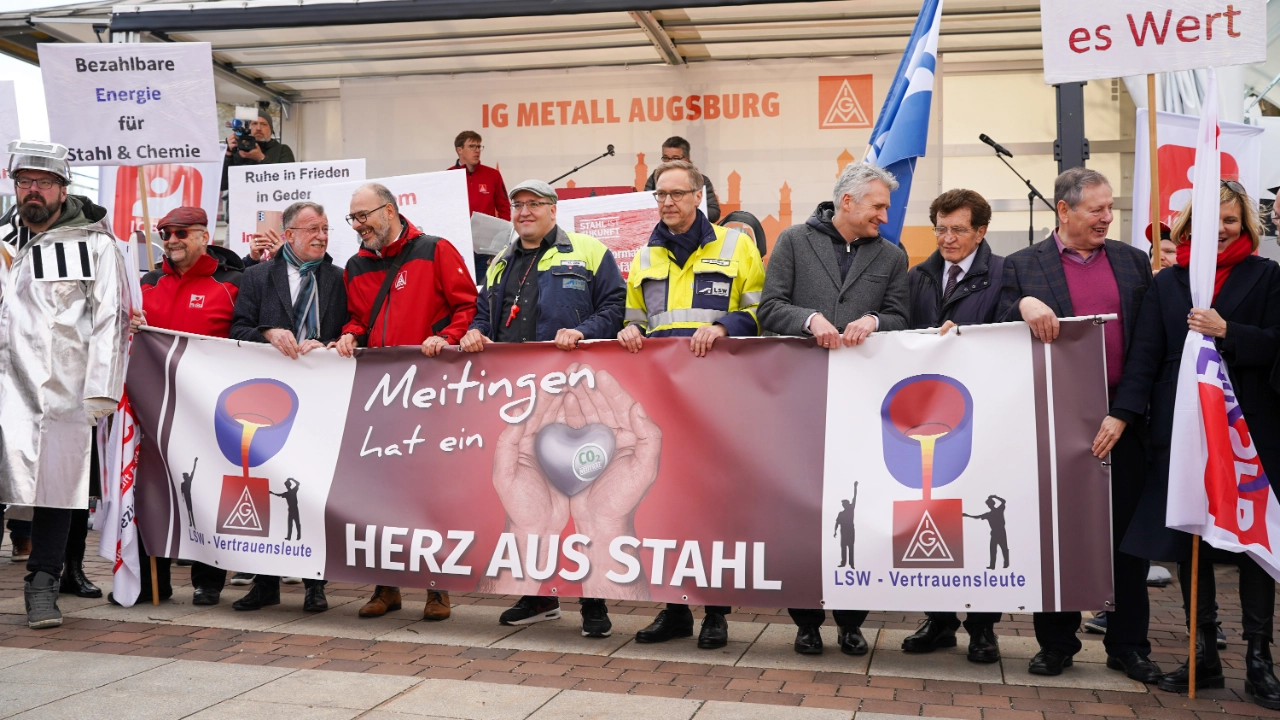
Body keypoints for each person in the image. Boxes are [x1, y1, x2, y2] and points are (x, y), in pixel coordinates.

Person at [1101, 180, 1280, 707]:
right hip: (1182, 433)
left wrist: (1228, 330)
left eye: (1229, 220)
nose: (1220, 231)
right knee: (1190, 541)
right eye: (1208, 222)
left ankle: (1257, 659)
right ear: (1187, 228)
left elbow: (1276, 345)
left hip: (1249, 433)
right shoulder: (1168, 284)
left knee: (1251, 546)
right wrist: (1123, 415)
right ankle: (1201, 652)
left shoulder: (1267, 276)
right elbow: (1145, 358)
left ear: (1245, 224)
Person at [996, 167, 1161, 683]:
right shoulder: (1022, 266)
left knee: (1126, 541)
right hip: (1053, 420)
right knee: (1058, 533)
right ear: (1063, 211)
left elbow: (1148, 348)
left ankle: (1128, 644)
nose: (1107, 218)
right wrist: (1020, 304)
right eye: (1097, 209)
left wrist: (1124, 412)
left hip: (1123, 417)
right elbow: (992, 324)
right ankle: (1057, 643)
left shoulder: (1134, 264)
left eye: (1110, 208)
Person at [462, 178, 626, 637]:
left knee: (586, 498)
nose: (523, 211)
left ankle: (595, 604)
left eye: (534, 203)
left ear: (554, 210)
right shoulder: (498, 262)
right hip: (516, 401)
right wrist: (475, 332)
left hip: (576, 399)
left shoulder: (589, 252)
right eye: (517, 205)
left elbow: (616, 307)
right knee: (534, 502)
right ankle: (539, 597)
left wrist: (585, 330)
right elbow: (482, 314)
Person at [758, 161, 907, 657]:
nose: (884, 216)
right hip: (800, 402)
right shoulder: (794, 242)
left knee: (858, 509)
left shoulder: (891, 256)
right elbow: (769, 308)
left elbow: (902, 316)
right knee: (804, 511)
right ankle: (806, 621)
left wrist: (874, 320)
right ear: (847, 202)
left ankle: (851, 620)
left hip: (863, 406)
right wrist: (810, 319)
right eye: (878, 205)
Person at [618, 159, 764, 650]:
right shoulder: (644, 256)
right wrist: (630, 329)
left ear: (698, 196)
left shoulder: (735, 245)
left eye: (677, 194)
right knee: (663, 501)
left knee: (710, 504)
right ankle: (674, 609)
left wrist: (725, 326)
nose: (667, 203)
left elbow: (761, 306)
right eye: (660, 195)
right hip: (662, 400)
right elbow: (635, 316)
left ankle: (716, 613)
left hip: (718, 399)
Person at [0, 141, 129, 629]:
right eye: (25, 181)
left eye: (44, 182)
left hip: (60, 391)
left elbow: (110, 321)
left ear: (62, 189)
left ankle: (42, 585)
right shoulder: (2, 239)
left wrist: (100, 391)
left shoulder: (95, 245)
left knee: (56, 487)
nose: (34, 191)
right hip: (1, 385)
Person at [335, 183, 478, 621]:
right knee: (383, 494)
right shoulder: (355, 265)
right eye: (353, 219)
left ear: (391, 210)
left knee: (431, 492)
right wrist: (351, 332)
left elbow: (468, 306)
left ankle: (439, 589)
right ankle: (387, 587)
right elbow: (361, 316)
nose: (359, 226)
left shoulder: (435, 250)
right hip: (381, 397)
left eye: (365, 216)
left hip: (433, 394)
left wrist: (447, 337)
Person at [899, 188, 1005, 662]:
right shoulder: (918, 276)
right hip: (929, 415)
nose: (947, 238)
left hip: (984, 414)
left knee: (975, 513)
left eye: (958, 229)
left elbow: (1009, 335)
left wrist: (966, 338)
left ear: (981, 231)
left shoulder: (1005, 274)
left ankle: (983, 628)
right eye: (940, 228)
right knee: (933, 509)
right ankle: (938, 620)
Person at [229, 199, 348, 614]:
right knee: (266, 485)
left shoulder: (338, 277)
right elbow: (237, 328)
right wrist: (268, 332)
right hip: (270, 402)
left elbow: (351, 331)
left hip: (319, 402)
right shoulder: (258, 276)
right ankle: (265, 583)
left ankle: (316, 583)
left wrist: (331, 344)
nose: (321, 236)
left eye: (326, 229)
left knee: (314, 490)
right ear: (289, 235)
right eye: (313, 229)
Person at [131, 206, 245, 607]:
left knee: (208, 491)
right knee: (151, 492)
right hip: (154, 407)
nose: (172, 240)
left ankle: (208, 579)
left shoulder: (232, 283)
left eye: (181, 233)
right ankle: (151, 581)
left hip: (210, 411)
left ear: (202, 235)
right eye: (165, 234)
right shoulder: (147, 283)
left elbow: (245, 337)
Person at [448, 130, 510, 281]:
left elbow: (504, 206)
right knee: (461, 284)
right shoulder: (448, 176)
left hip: (485, 246)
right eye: (472, 146)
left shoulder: (492, 175)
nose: (477, 150)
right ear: (459, 150)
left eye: (479, 146)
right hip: (458, 244)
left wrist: (503, 238)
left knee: (484, 287)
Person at [643, 137, 721, 223]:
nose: (670, 162)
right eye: (666, 158)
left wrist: (686, 213)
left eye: (675, 158)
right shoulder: (655, 178)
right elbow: (645, 207)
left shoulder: (701, 180)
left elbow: (714, 212)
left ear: (686, 160)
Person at [221, 110, 295, 193]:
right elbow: (222, 185)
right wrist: (228, 154)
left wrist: (261, 158)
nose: (258, 128)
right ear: (247, 128)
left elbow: (288, 182)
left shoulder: (282, 150)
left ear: (271, 130)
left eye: (263, 124)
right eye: (254, 124)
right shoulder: (237, 149)